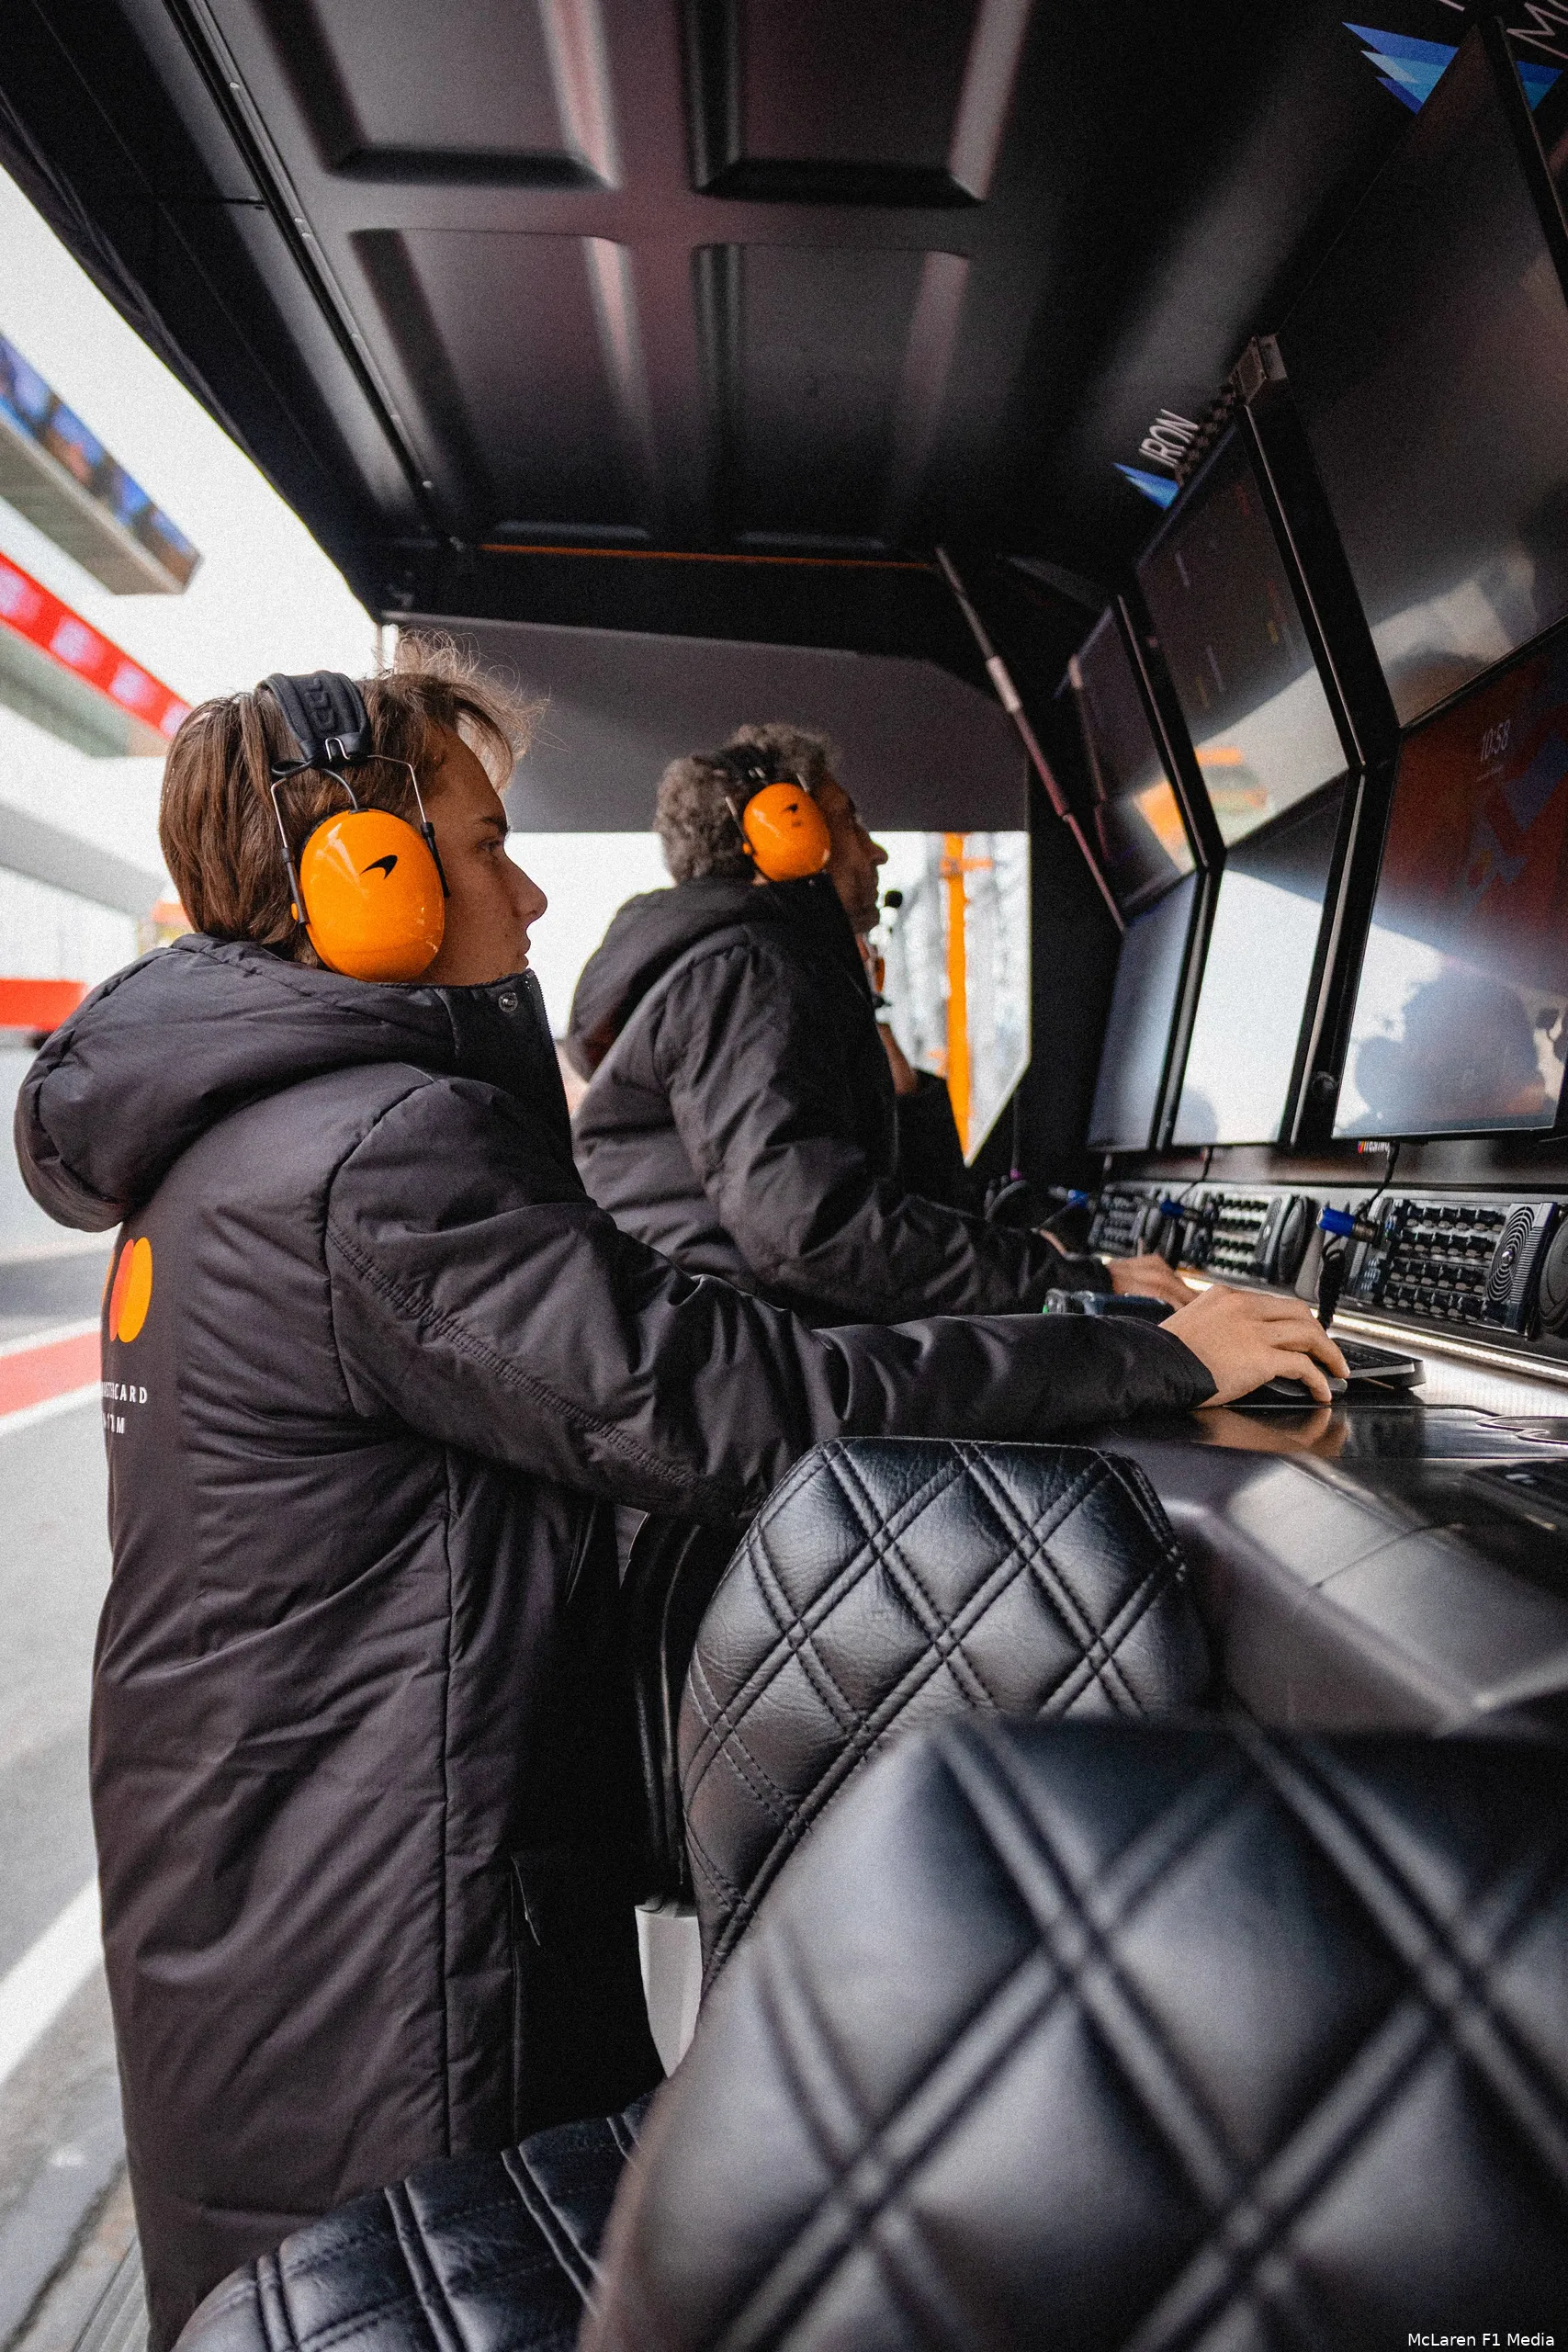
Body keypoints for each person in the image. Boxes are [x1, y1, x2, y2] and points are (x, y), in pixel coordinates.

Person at [14, 643, 1343, 2348]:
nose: (528, 892)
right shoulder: (368, 1153)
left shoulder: (243, 1136)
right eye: (484, 843)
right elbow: (733, 1400)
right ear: (371, 883)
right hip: (371, 1897)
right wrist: (1146, 1355)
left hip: (285, 1852)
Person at [568, 724, 1189, 1323]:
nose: (875, 849)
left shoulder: (746, 968)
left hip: (740, 1330)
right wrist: (1072, 1282)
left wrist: (903, 1096)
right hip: (742, 1352)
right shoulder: (748, 969)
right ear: (790, 834)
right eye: (850, 819)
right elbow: (810, 1231)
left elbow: (886, 1211)